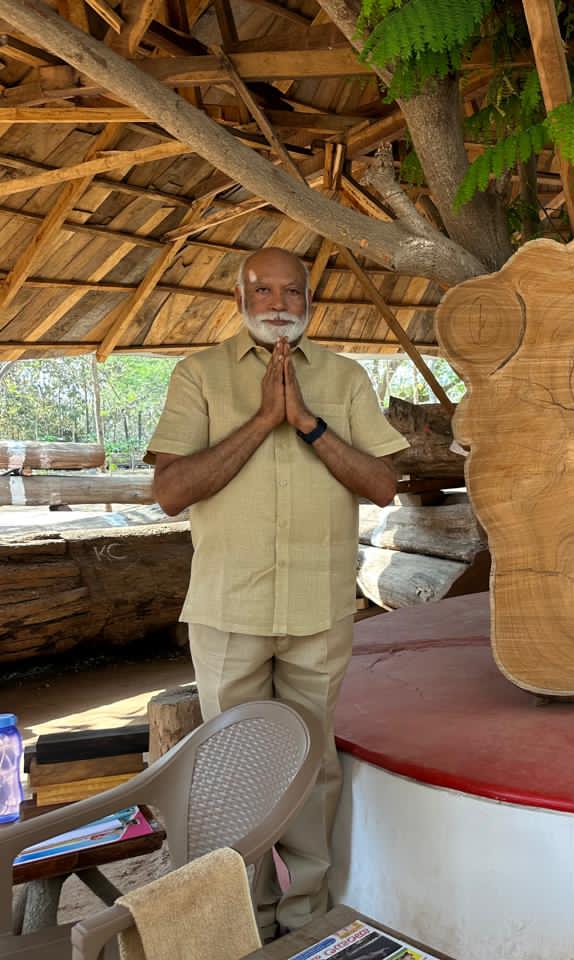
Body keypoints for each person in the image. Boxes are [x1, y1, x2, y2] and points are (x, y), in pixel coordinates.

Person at [146, 246, 409, 934]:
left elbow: (384, 485)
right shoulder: (198, 376)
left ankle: (305, 915)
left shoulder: (346, 377)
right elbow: (171, 492)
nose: (277, 302)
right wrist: (263, 420)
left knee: (314, 765)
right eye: (262, 289)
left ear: (309, 300)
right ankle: (242, 917)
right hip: (229, 611)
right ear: (239, 296)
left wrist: (307, 424)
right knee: (231, 770)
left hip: (319, 611)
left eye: (291, 290)